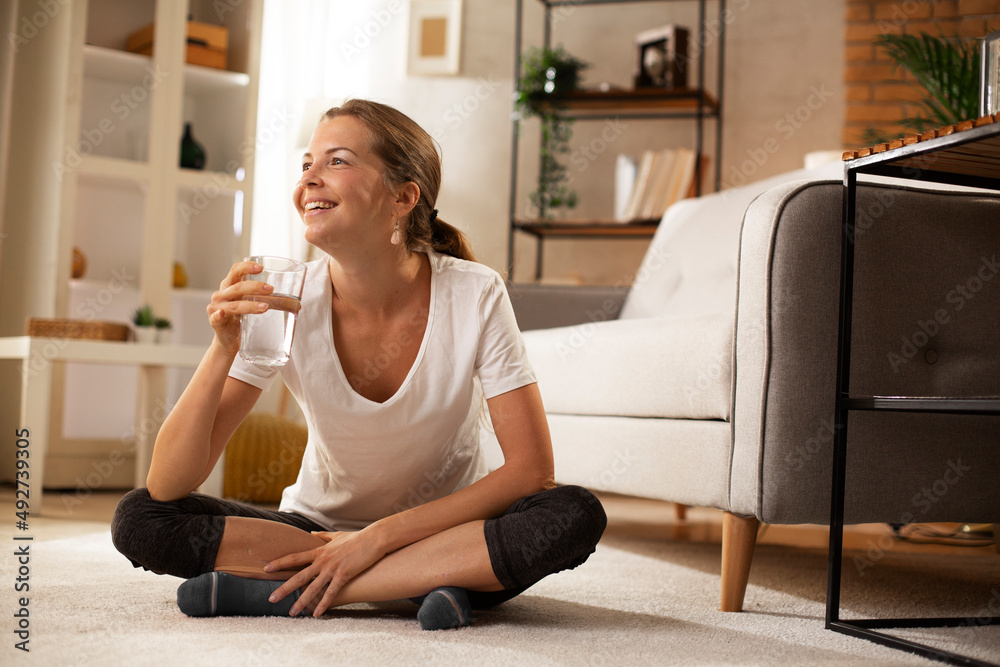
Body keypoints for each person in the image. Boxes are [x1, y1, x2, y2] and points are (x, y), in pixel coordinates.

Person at [111, 99, 606, 630]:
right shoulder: (285, 298)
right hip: (313, 529)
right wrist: (221, 349)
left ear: (402, 197)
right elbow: (167, 483)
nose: (310, 181)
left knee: (573, 513)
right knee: (141, 517)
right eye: (306, 165)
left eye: (337, 162)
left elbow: (531, 470)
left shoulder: (474, 291)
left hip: (436, 528)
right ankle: (425, 584)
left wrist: (374, 540)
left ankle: (293, 589)